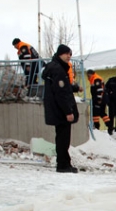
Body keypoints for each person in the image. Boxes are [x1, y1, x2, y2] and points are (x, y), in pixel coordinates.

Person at [41, 44, 79, 173]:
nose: (69, 56)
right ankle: (62, 165)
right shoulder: (58, 69)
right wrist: (68, 111)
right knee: (63, 139)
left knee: (62, 138)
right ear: (60, 54)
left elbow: (62, 87)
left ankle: (64, 163)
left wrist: (74, 88)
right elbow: (61, 92)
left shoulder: (55, 67)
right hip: (60, 111)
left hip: (56, 109)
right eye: (67, 54)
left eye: (70, 54)